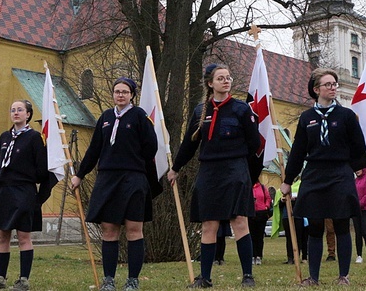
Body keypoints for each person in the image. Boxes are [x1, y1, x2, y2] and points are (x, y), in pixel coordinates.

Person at [168, 64, 261, 288]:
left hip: (235, 170)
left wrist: (245, 171)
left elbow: (254, 144)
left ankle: (247, 275)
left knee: (239, 221)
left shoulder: (241, 109)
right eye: (220, 78)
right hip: (209, 171)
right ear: (210, 83)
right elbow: (190, 144)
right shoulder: (201, 111)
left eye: (228, 78)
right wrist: (176, 168)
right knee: (209, 224)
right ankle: (205, 278)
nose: (226, 81)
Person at [280, 68, 366, 286]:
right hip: (314, 174)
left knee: (341, 224)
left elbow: (359, 146)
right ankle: (314, 277)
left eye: (334, 83)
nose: (333, 87)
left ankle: (343, 276)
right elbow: (298, 151)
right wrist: (288, 181)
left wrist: (353, 167)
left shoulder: (346, 116)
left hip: (339, 174)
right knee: (315, 226)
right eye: (328, 84)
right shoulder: (307, 118)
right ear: (316, 89)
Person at [71, 78, 158, 291]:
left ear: (132, 95)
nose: (120, 95)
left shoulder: (139, 116)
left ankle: (132, 280)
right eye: (117, 91)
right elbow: (94, 150)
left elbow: (151, 146)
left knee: (133, 229)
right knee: (109, 230)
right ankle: (109, 279)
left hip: (133, 179)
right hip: (108, 179)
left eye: (125, 92)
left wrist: (134, 162)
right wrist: (80, 174)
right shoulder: (106, 117)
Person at [0, 100, 53, 291]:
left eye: (20, 110)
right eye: (13, 110)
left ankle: (23, 280)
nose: (16, 113)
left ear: (28, 114)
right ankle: (0, 279)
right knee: (2, 235)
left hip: (24, 192)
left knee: (23, 236)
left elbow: (42, 171)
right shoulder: (5, 137)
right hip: (3, 191)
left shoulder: (35, 138)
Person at [249, 182, 271, 265]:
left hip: (261, 213)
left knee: (259, 236)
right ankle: (252, 255)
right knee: (251, 236)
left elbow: (268, 198)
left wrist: (266, 206)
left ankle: (258, 255)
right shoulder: (248, 187)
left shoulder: (262, 187)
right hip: (251, 213)